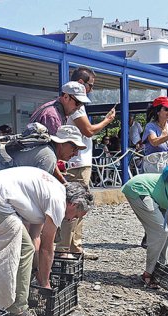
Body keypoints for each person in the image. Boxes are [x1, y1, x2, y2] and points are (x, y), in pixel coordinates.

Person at [0, 167, 92, 316]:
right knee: (23, 248)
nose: (72, 220)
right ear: (73, 204)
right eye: (76, 216)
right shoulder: (58, 201)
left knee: (24, 246)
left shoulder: (52, 192)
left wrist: (37, 271)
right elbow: (46, 247)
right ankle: (18, 311)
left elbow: (35, 238)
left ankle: (12, 291)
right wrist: (45, 284)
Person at [59, 66, 117, 261]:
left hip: (79, 161)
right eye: (91, 85)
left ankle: (74, 246)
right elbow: (89, 131)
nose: (91, 89)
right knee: (74, 206)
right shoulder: (76, 105)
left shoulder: (77, 104)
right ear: (81, 84)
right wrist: (107, 121)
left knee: (79, 207)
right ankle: (65, 247)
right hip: (75, 163)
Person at [0, 124, 85, 181]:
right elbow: (38, 191)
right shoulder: (49, 157)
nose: (76, 153)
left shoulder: (45, 148)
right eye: (74, 148)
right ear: (61, 143)